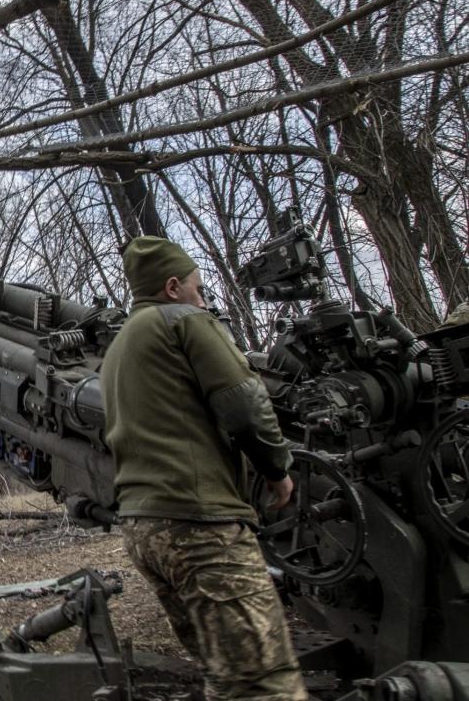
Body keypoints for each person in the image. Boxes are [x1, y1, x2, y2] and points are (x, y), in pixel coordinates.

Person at [100, 236, 306, 700]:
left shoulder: (119, 350)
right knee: (263, 683)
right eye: (198, 288)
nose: (203, 298)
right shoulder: (184, 321)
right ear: (173, 287)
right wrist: (278, 469)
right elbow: (245, 404)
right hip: (200, 527)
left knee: (225, 674)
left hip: (144, 530)